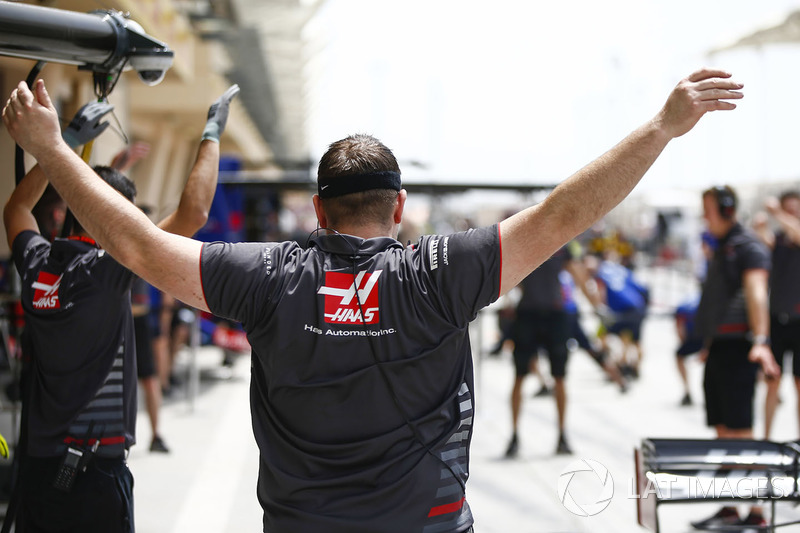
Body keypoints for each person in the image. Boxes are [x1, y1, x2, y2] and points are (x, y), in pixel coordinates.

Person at [3, 68, 743, 533]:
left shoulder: (267, 277)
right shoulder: (440, 273)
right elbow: (560, 215)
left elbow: (136, 245)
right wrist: (661, 128)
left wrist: (55, 151)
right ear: (399, 208)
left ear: (319, 212)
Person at [2, 84, 239, 532]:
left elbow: (17, 205)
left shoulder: (35, 263)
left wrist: (64, 143)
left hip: (36, 472)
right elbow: (194, 212)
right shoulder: (106, 273)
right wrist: (211, 130)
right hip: (93, 477)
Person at [690, 185, 779, 531]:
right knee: (724, 431)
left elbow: (757, 292)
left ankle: (756, 512)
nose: (704, 217)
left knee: (741, 432)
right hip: (721, 348)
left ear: (727, 211)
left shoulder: (747, 247)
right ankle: (730, 507)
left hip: (741, 347)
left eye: (708, 210)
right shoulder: (722, 247)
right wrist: (710, 342)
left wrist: (761, 340)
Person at [504, 241, 608, 457]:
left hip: (552, 314)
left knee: (559, 377)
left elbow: (578, 275)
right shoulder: (527, 239)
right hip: (530, 314)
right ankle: (514, 435)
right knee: (520, 375)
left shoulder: (562, 243)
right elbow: (509, 274)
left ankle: (561, 434)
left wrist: (597, 307)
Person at [753, 191, 800, 440]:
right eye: (788, 209)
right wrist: (760, 227)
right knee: (772, 382)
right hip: (777, 321)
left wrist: (777, 213)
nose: (792, 214)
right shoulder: (779, 240)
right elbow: (763, 244)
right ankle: (767, 439)